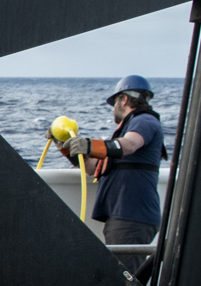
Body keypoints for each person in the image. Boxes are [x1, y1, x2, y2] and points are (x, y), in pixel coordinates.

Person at [67, 76, 164, 274]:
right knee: (121, 278)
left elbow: (130, 144)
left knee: (125, 283)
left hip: (132, 215)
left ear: (124, 100)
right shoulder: (123, 134)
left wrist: (91, 145)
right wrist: (67, 148)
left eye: (114, 103)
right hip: (122, 215)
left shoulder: (144, 120)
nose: (113, 109)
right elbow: (94, 168)